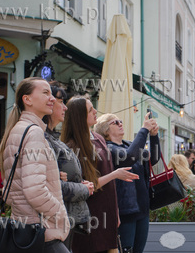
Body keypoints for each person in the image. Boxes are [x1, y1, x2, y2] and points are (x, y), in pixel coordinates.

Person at [0, 77, 70, 252]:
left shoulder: (18, 130)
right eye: (45, 93)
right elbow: (34, 190)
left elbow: (10, 193)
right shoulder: (34, 132)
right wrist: (60, 214)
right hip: (42, 231)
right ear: (27, 99)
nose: (52, 98)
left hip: (25, 229)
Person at [61, 97, 139, 253]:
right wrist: (115, 174)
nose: (95, 111)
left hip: (107, 212)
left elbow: (109, 184)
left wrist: (115, 211)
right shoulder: (72, 146)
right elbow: (85, 186)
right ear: (79, 116)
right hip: (89, 216)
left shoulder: (98, 138)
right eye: (90, 110)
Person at [95, 112, 160, 253]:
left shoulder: (128, 145)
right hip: (125, 212)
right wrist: (144, 130)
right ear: (105, 130)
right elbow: (128, 157)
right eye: (115, 122)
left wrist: (154, 136)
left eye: (121, 121)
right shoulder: (107, 149)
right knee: (125, 250)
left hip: (142, 210)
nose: (120, 124)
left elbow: (153, 159)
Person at [42, 83, 94, 250]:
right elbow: (53, 186)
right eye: (61, 102)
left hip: (66, 220)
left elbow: (62, 180)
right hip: (53, 222)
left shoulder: (54, 139)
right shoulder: (43, 139)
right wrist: (84, 189)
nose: (65, 108)